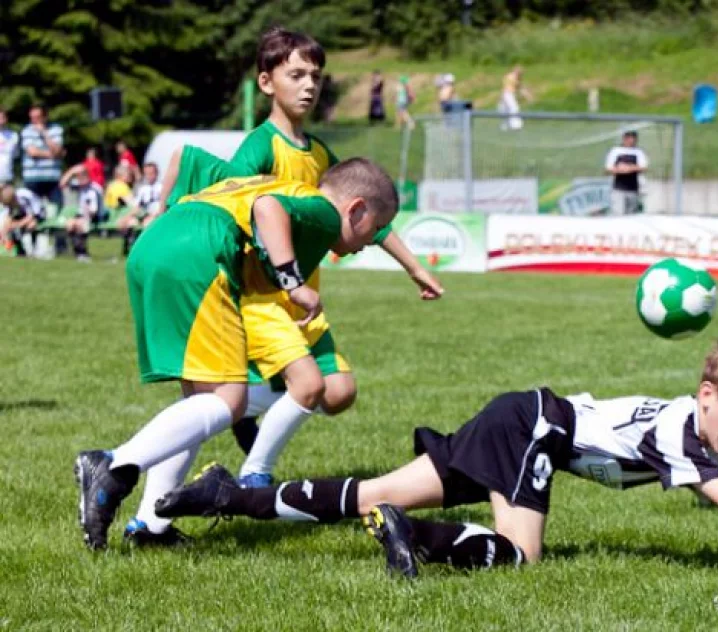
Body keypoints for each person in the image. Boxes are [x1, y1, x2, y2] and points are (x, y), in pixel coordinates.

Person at [156, 338, 718, 581]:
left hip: (522, 417)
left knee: (369, 491)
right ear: (708, 395)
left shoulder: (705, 441)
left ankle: (224, 496)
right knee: (521, 556)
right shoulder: (684, 435)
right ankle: (412, 534)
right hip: (535, 426)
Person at [151, 26, 443, 505]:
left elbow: (365, 212)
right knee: (294, 387)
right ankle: (253, 475)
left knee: (339, 392)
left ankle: (248, 414)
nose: (309, 85)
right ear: (267, 83)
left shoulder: (321, 153)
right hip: (262, 296)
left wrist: (414, 267)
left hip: (303, 298)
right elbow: (234, 207)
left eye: (317, 77)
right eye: (297, 75)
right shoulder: (260, 146)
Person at [74, 158, 400, 551]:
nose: (372, 241)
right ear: (356, 209)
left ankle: (150, 526)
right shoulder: (324, 212)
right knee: (228, 401)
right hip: (200, 252)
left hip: (159, 241)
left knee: (198, 403)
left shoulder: (283, 187)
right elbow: (267, 208)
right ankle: (113, 465)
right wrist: (293, 283)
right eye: (376, 228)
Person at [20, 104, 65, 210]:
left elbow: (57, 150)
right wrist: (53, 155)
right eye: (32, 118)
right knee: (32, 210)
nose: (34, 121)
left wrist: (44, 133)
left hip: (52, 177)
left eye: (37, 117)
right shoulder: (27, 131)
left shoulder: (56, 129)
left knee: (57, 208)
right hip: (32, 178)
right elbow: (32, 152)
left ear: (45, 117)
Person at [58, 165, 104, 262]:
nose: (79, 181)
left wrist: (83, 219)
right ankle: (77, 251)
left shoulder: (94, 189)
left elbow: (94, 210)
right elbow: (62, 184)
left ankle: (83, 252)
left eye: (81, 177)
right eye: (78, 178)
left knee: (80, 224)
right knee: (70, 224)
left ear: (87, 177)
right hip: (82, 214)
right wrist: (72, 171)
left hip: (94, 215)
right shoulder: (80, 185)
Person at [116, 162, 163, 256]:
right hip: (144, 215)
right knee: (130, 222)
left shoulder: (162, 187)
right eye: (147, 174)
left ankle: (148, 250)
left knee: (148, 223)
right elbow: (137, 207)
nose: (149, 176)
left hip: (157, 215)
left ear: (157, 173)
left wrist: (154, 215)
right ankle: (128, 248)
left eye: (151, 173)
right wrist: (126, 217)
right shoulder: (143, 189)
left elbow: (163, 206)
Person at [604, 130, 648, 215]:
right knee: (618, 214)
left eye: (633, 139)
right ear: (624, 139)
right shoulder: (616, 151)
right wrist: (620, 169)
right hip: (618, 189)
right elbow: (608, 168)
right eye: (629, 139)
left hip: (633, 189)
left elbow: (643, 167)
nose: (631, 141)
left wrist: (630, 168)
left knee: (631, 215)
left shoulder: (638, 152)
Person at [0, 184, 45, 256]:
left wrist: (16, 225)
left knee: (31, 225)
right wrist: (3, 233)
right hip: (26, 216)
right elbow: (8, 219)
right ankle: (21, 252)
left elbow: (31, 216)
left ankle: (33, 250)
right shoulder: (11, 202)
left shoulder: (23, 197)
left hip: (39, 215)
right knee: (10, 229)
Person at [499, 65, 530, 131]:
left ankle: (507, 125)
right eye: (520, 73)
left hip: (507, 95)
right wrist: (526, 94)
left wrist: (526, 94)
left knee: (507, 110)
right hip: (507, 94)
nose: (521, 75)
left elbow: (519, 87)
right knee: (513, 108)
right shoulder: (510, 77)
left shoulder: (515, 77)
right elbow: (518, 86)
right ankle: (514, 125)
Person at [0, 109, 19, 186]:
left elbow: (15, 155)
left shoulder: (14, 135)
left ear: (6, 119)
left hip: (7, 177)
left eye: (2, 117)